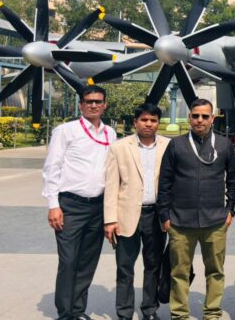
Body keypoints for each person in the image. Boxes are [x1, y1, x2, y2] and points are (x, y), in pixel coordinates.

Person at [157, 99, 235, 320]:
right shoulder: (176, 145)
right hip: (180, 221)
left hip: (215, 221)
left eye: (204, 116)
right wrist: (165, 215)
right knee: (179, 272)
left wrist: (230, 210)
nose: (199, 120)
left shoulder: (224, 145)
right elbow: (164, 182)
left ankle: (212, 313)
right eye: (195, 116)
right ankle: (179, 314)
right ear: (189, 118)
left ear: (212, 118)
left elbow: (233, 180)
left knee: (215, 271)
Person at [43, 85, 117, 320]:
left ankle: (78, 310)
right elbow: (52, 168)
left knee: (87, 261)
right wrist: (53, 205)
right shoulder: (66, 131)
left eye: (98, 102)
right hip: (71, 206)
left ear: (104, 105)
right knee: (68, 261)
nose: (93, 105)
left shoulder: (110, 133)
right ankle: (65, 314)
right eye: (89, 101)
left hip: (98, 206)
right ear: (81, 104)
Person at [104, 103, 170, 320]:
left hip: (156, 216)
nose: (148, 124)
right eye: (144, 120)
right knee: (125, 268)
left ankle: (149, 310)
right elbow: (111, 185)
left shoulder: (169, 146)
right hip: (126, 216)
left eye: (153, 120)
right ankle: (124, 312)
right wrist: (109, 220)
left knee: (153, 266)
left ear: (158, 123)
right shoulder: (119, 148)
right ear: (135, 122)